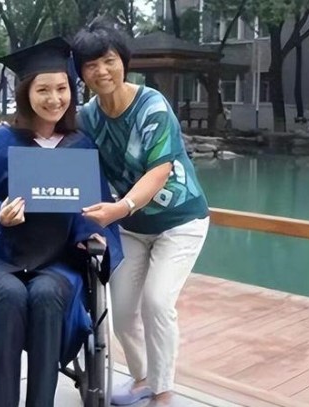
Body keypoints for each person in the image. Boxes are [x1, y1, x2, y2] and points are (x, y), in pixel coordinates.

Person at [0, 37, 122, 407]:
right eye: (43, 89)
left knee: (46, 294)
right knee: (10, 294)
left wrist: (92, 234)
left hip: (58, 263)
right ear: (26, 93)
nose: (54, 99)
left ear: (71, 93)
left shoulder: (80, 146)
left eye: (62, 89)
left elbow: (95, 209)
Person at [72, 20, 210, 407]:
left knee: (157, 302)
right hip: (131, 227)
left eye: (109, 60)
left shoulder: (152, 105)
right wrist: (12, 130)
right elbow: (59, 144)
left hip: (179, 221)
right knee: (122, 312)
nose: (101, 71)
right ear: (81, 72)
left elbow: (159, 171)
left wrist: (121, 207)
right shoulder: (87, 118)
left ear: (124, 62)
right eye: (90, 65)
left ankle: (163, 393)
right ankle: (143, 378)